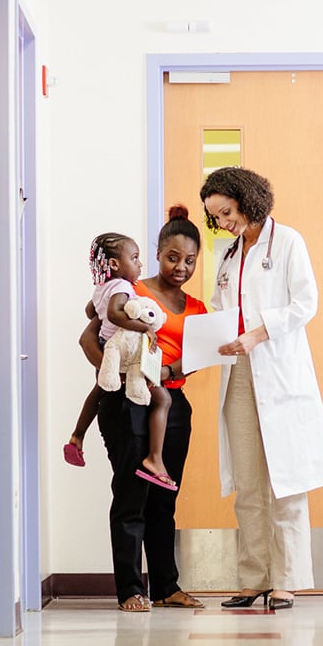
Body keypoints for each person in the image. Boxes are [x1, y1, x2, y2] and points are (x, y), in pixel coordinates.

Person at [200, 167, 323, 611]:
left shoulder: (288, 242)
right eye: (215, 217)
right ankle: (252, 577)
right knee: (249, 483)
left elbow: (306, 303)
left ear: (246, 200)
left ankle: (287, 580)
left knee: (287, 478)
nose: (223, 222)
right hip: (238, 372)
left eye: (226, 211)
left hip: (278, 370)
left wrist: (258, 334)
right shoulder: (227, 254)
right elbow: (223, 309)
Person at [81, 206, 208, 612]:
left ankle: (166, 587)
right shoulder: (132, 289)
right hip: (127, 400)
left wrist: (168, 369)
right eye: (173, 257)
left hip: (171, 404)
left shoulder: (199, 309)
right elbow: (88, 336)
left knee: (163, 501)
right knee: (131, 494)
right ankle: (131, 590)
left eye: (190, 261)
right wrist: (115, 369)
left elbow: (197, 354)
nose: (181, 267)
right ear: (157, 252)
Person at [66, 233, 177, 491]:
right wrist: (144, 328)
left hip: (108, 349)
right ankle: (154, 458)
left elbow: (90, 311)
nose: (140, 265)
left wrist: (103, 310)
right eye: (135, 258)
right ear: (115, 264)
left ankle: (77, 435)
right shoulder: (122, 287)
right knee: (163, 398)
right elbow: (116, 314)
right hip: (121, 352)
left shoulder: (103, 286)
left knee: (99, 391)